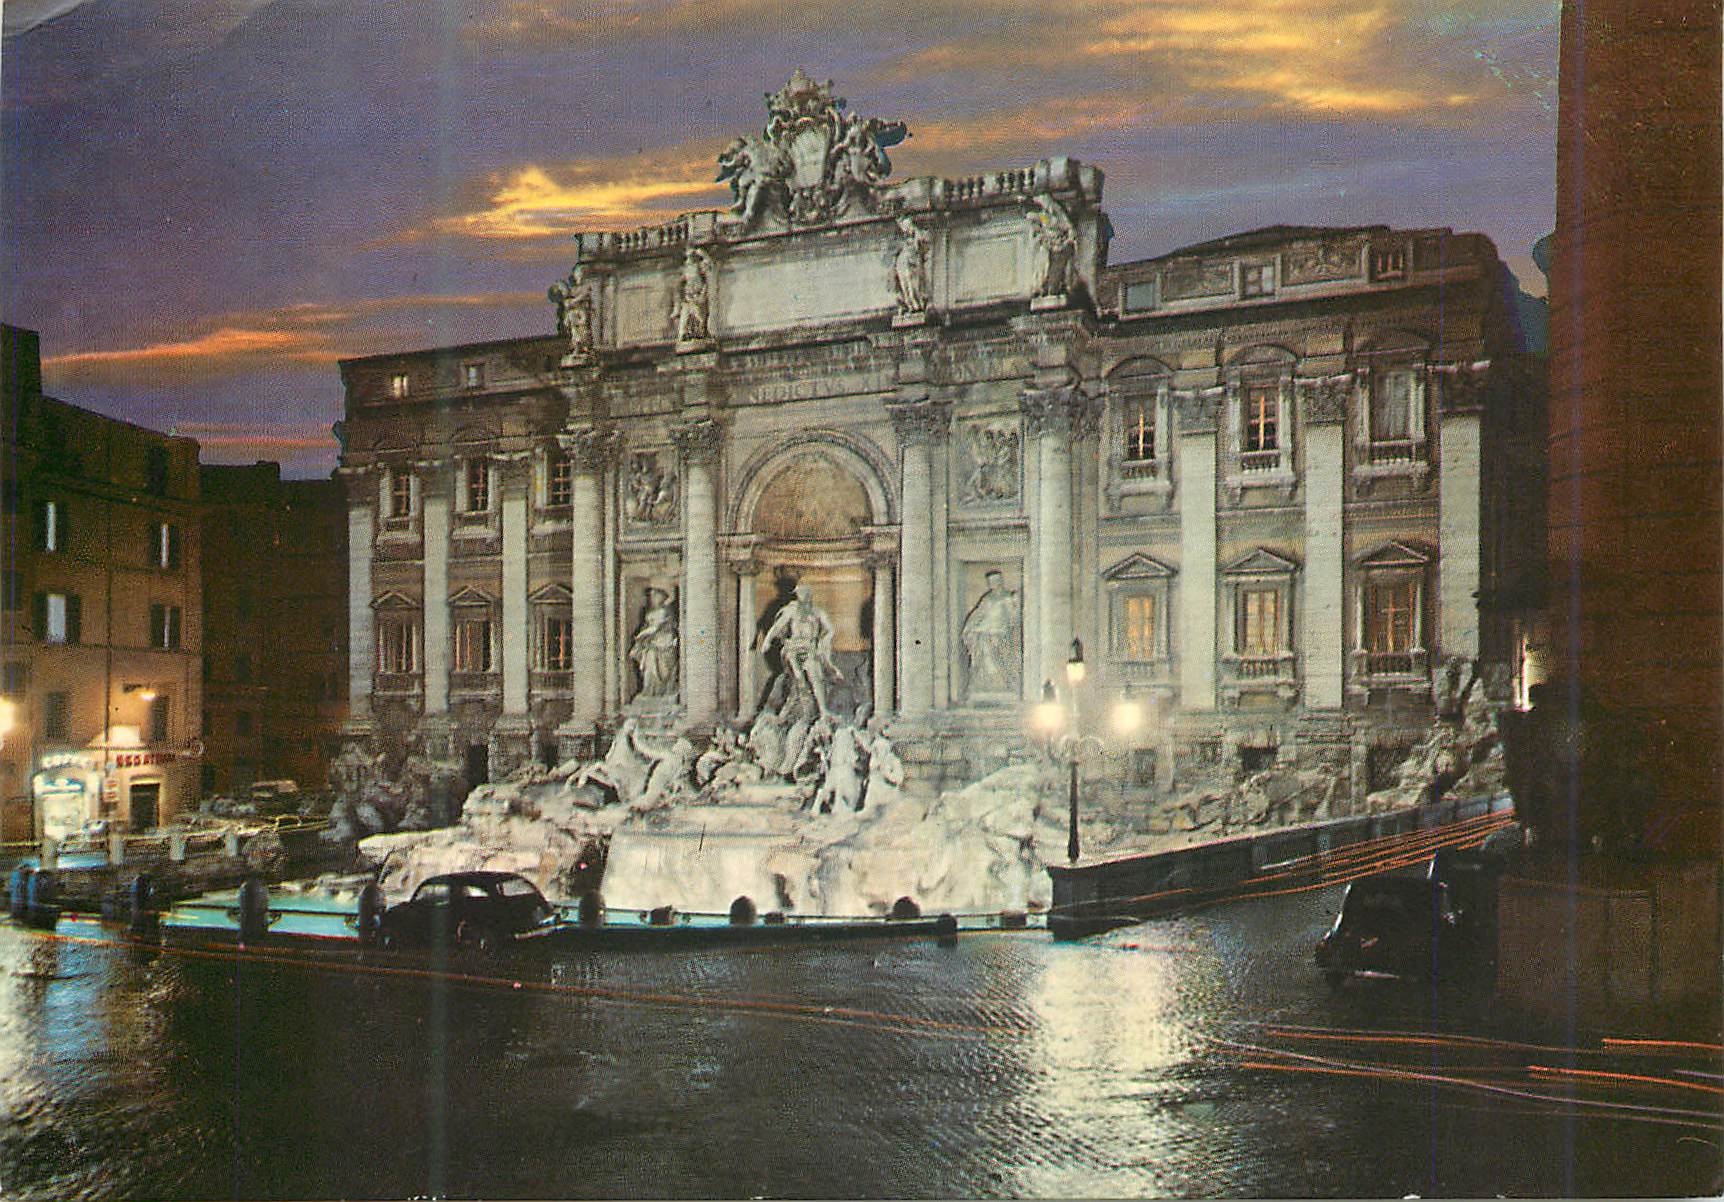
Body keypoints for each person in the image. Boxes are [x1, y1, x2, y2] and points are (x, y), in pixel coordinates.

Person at [760, 584, 842, 718]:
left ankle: (823, 710)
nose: (800, 596)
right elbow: (777, 627)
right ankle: (797, 712)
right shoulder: (791, 611)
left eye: (803, 593)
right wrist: (767, 641)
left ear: (809, 595)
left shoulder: (817, 612)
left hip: (809, 649)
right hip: (792, 649)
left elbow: (830, 629)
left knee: (815, 676)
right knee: (798, 679)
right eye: (799, 594)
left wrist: (824, 641)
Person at [961, 570, 1020, 696]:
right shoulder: (988, 598)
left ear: (999, 581)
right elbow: (979, 613)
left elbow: (1013, 616)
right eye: (990, 582)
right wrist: (970, 626)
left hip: (1000, 630)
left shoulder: (1007, 596)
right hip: (985, 629)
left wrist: (1010, 627)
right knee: (982, 650)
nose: (992, 584)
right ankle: (986, 682)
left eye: (994, 581)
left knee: (997, 654)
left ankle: (1002, 682)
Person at [629, 587, 679, 699]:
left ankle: (658, 689)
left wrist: (641, 636)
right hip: (652, 642)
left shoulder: (664, 611)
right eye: (651, 596)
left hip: (664, 642)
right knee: (649, 661)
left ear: (661, 598)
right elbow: (647, 627)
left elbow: (655, 628)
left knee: (656, 661)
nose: (652, 599)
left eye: (655, 596)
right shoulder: (650, 612)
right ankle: (649, 689)